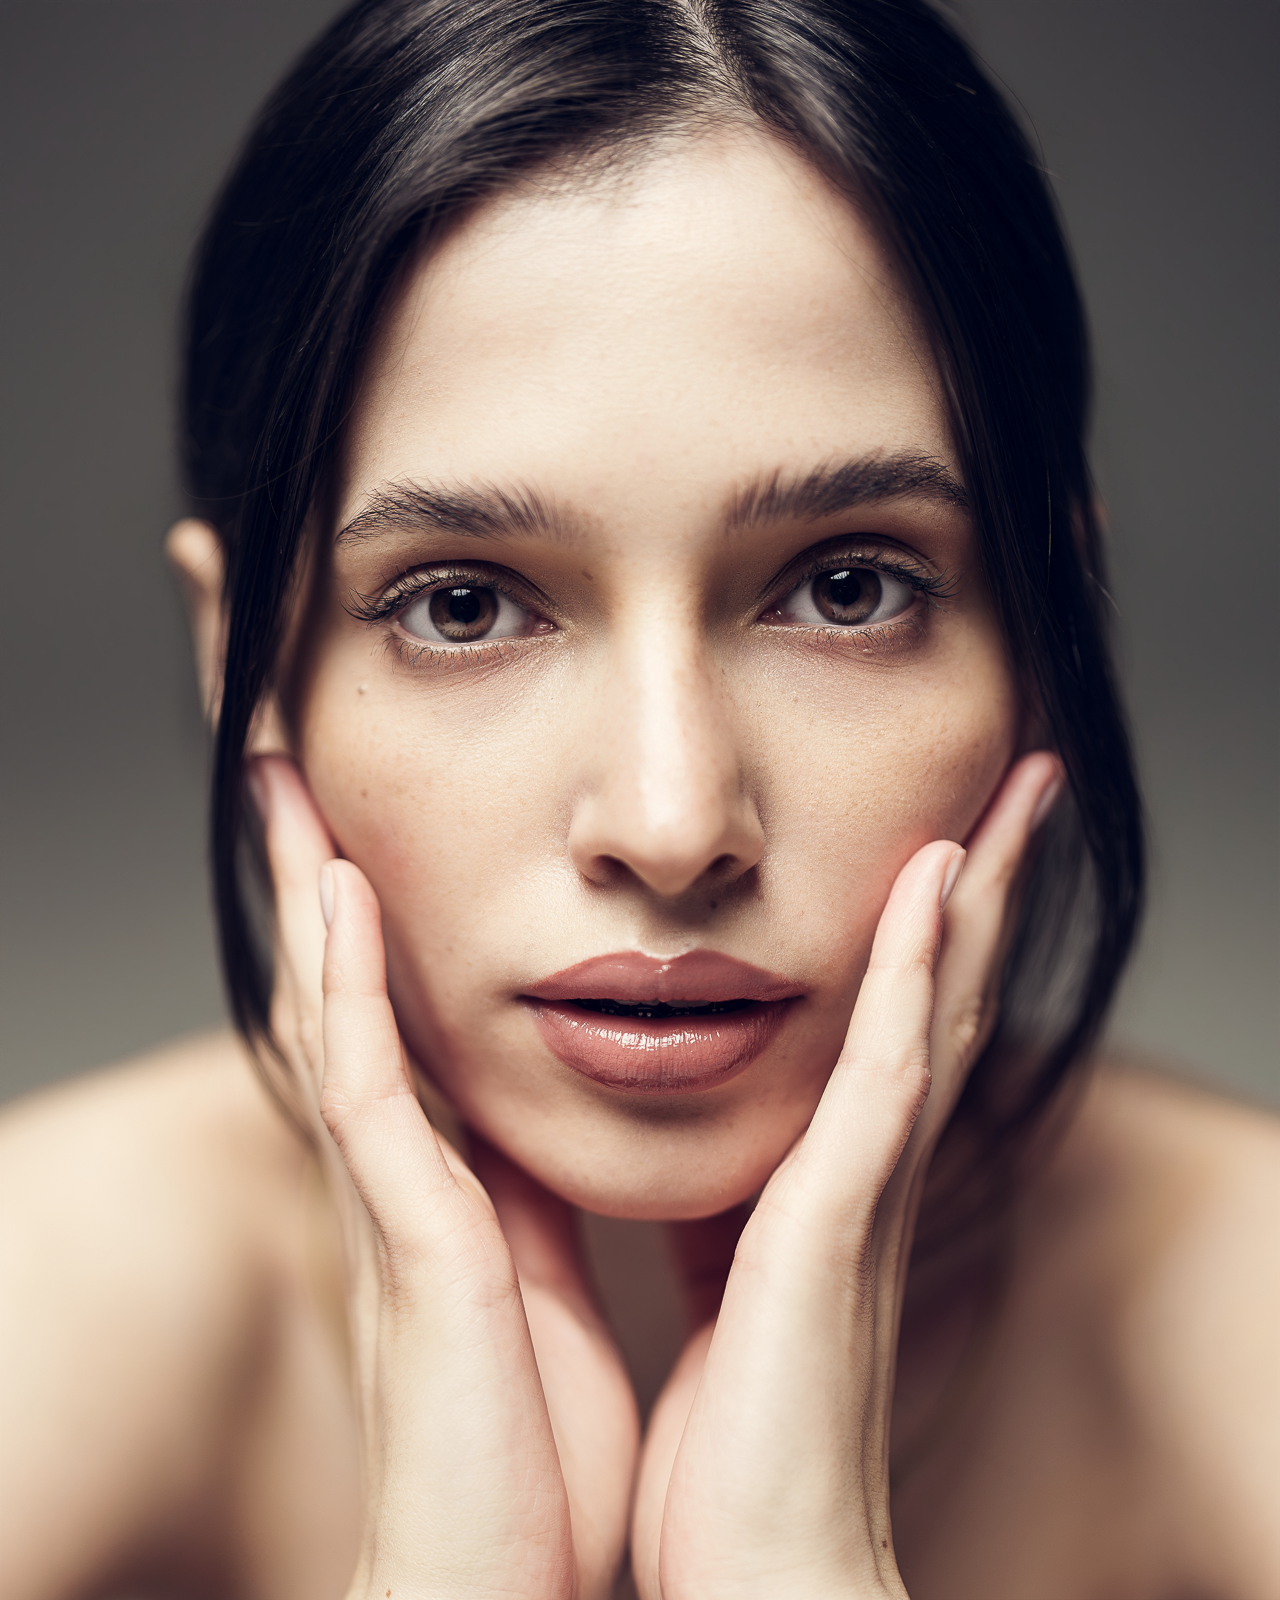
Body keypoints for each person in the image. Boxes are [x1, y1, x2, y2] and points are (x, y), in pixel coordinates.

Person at [1, 1, 1276, 1596]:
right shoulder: (39, 1303)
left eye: (849, 587)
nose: (673, 826)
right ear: (239, 656)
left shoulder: (1243, 1321)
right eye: (462, 604)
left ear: (1046, 628)